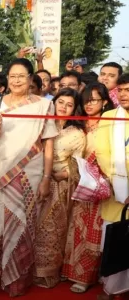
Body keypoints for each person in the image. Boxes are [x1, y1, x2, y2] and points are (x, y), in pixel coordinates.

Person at [0, 58, 58, 298]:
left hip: (30, 174)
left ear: (31, 79)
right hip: (1, 172)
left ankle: (16, 281)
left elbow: (48, 144)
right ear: (6, 79)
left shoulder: (43, 106)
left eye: (22, 76)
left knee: (22, 226)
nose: (17, 80)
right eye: (12, 76)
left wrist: (46, 177)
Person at [62, 82, 114, 293]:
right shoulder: (77, 124)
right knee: (77, 228)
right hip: (79, 182)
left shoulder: (110, 124)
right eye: (86, 99)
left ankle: (90, 275)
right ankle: (74, 271)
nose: (90, 103)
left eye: (95, 99)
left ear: (104, 102)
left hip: (102, 184)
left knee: (96, 230)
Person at [34, 88, 86, 288]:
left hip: (60, 186)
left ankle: (47, 273)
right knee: (33, 227)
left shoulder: (77, 133)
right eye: (61, 102)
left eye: (69, 104)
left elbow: (79, 166)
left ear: (75, 109)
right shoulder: (41, 125)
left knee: (51, 231)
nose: (63, 107)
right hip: (34, 180)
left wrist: (62, 175)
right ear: (53, 102)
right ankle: (31, 269)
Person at [96, 74, 129, 300]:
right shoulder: (108, 117)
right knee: (115, 241)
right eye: (122, 90)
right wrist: (120, 184)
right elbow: (102, 151)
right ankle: (111, 289)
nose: (124, 94)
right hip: (117, 190)